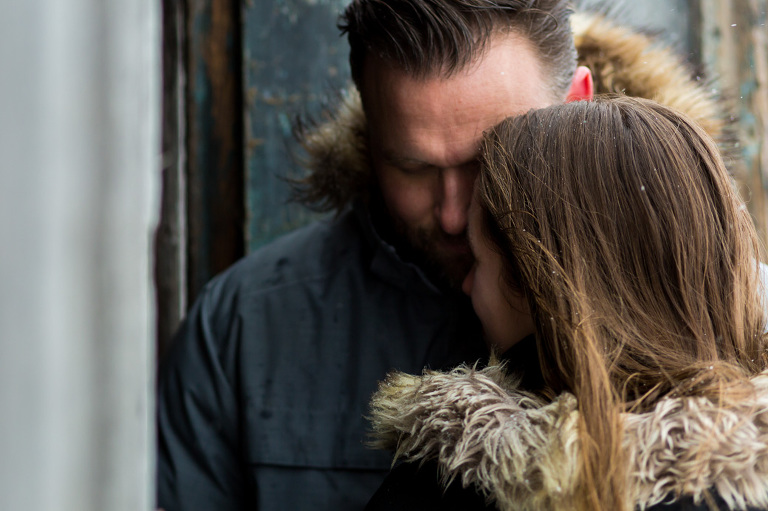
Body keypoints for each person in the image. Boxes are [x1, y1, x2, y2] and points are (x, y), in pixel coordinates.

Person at [156, 1, 735, 510]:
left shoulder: (729, 307)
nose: (456, 214)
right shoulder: (244, 328)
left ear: (576, 105)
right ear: (368, 130)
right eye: (412, 167)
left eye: (491, 159)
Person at [367, 96, 768, 511]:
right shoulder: (745, 475)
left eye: (478, 261)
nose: (466, 285)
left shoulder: (458, 477)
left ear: (534, 283)